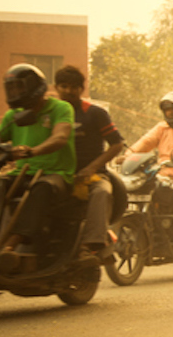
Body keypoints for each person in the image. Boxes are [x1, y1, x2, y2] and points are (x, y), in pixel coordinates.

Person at [0, 64, 76, 272]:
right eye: (10, 89)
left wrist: (33, 151)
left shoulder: (61, 108)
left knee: (41, 188)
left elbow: (60, 137)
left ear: (34, 87)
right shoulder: (13, 115)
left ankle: (10, 245)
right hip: (20, 173)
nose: (14, 93)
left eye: (19, 88)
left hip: (57, 174)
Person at [53, 66, 124, 263]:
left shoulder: (95, 113)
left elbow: (117, 145)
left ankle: (91, 245)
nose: (68, 91)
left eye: (74, 87)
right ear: (56, 88)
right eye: (64, 86)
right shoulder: (50, 115)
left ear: (81, 89)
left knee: (102, 192)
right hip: (58, 175)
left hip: (93, 176)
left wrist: (91, 168)